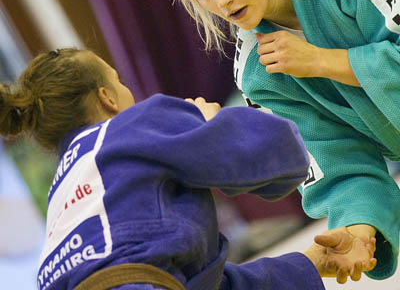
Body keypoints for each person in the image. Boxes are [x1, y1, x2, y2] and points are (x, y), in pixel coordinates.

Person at [162, 0, 400, 283]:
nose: (220, 1)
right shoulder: (257, 71)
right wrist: (358, 230)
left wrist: (323, 61)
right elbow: (337, 163)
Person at [1, 47, 367, 290]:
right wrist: (212, 123)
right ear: (107, 98)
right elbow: (280, 156)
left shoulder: (60, 198)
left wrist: (308, 264)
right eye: (120, 81)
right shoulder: (136, 124)